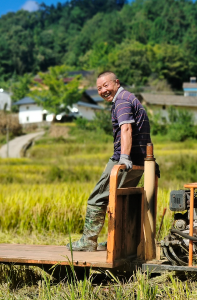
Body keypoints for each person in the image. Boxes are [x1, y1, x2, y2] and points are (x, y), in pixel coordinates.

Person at [68, 71, 153, 251]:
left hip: (124, 160)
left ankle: (88, 242)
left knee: (97, 198)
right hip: (139, 160)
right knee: (123, 201)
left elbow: (127, 129)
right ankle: (119, 240)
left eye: (106, 85)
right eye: (99, 88)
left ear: (116, 83)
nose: (103, 90)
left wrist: (123, 157)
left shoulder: (122, 101)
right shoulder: (130, 98)